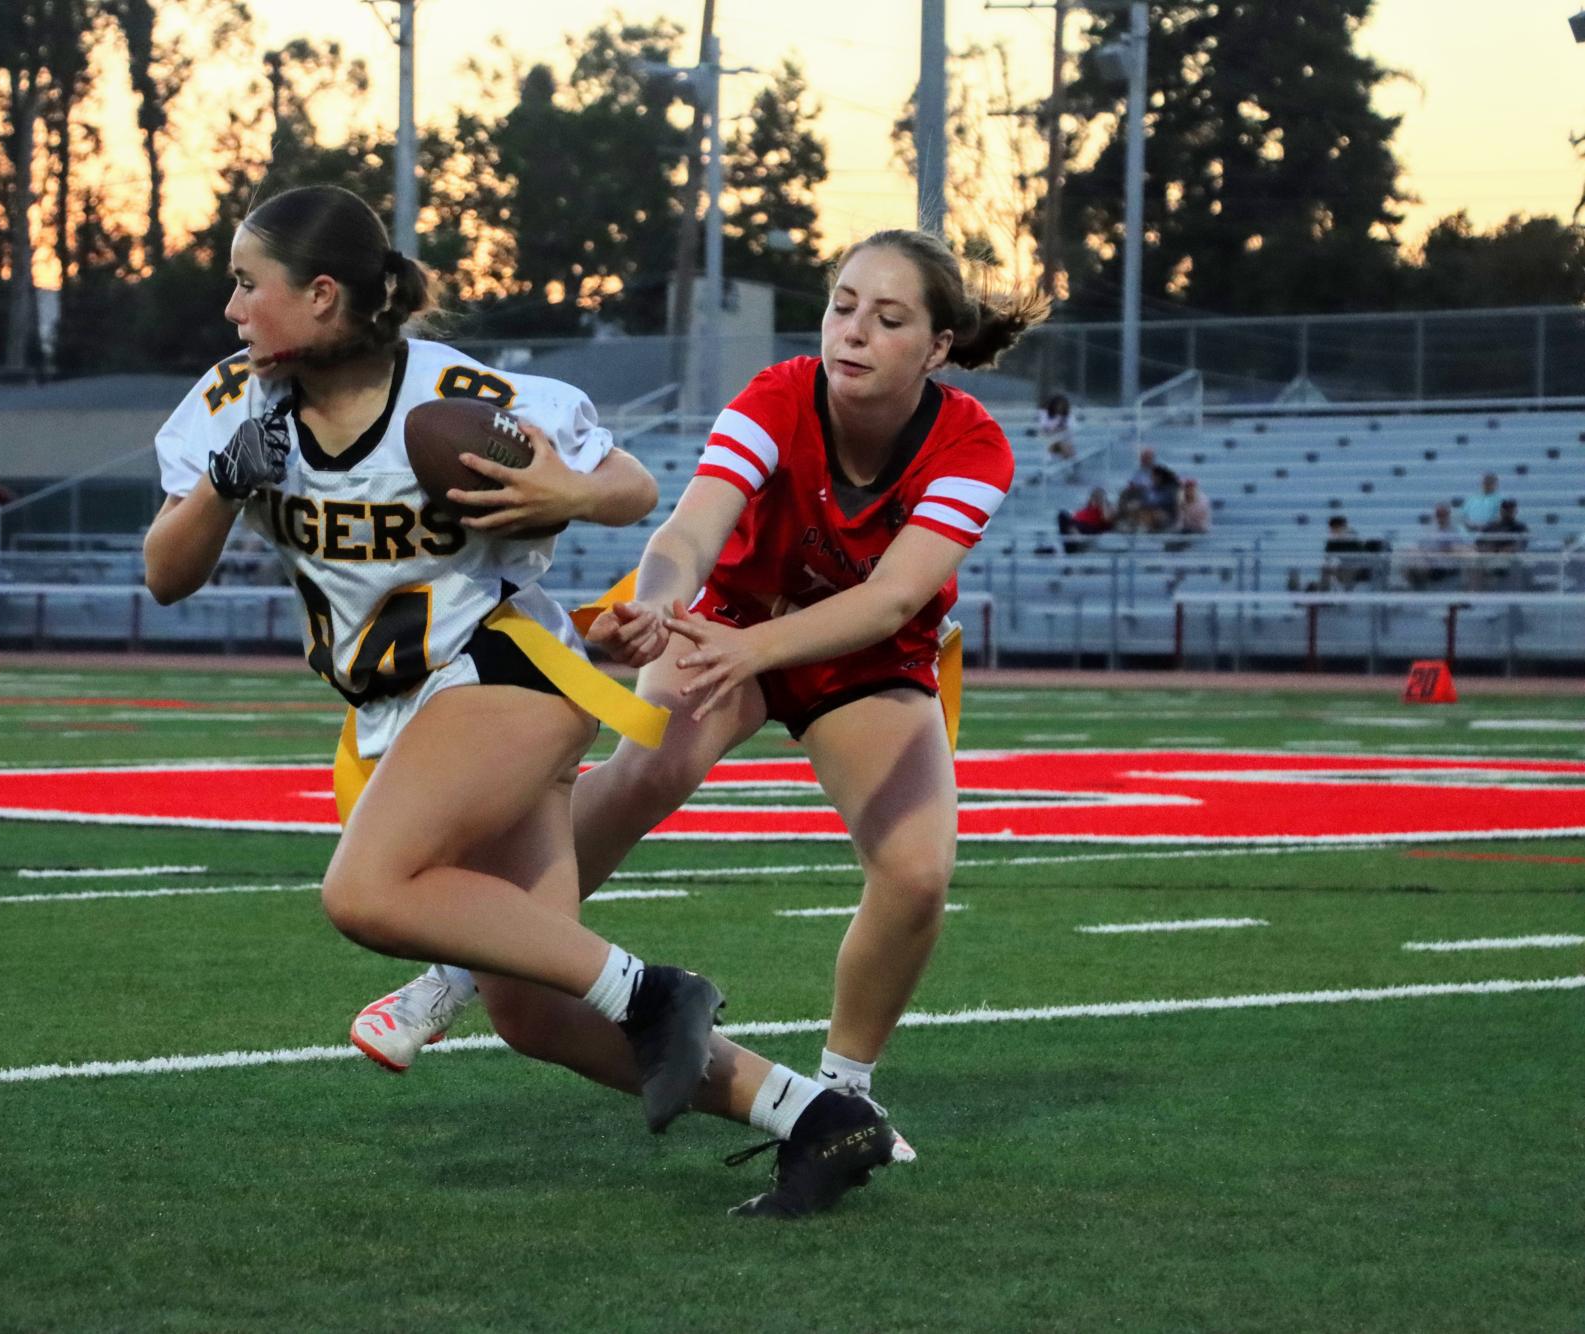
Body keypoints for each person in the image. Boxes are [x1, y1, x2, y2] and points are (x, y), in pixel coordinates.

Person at [147, 184, 888, 1219]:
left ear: (321, 295)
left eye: (245, 284)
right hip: (400, 707)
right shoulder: (233, 407)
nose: (230, 310)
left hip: (508, 668)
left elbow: (626, 481)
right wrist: (225, 483)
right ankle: (810, 1115)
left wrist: (572, 496)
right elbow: (165, 572)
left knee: (363, 891)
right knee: (536, 1012)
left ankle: (655, 989)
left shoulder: (450, 393)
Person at [352, 227, 1046, 1189]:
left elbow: (890, 599)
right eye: (843, 304)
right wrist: (659, 603)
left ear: (934, 348)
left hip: (862, 654)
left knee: (918, 873)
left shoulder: (973, 441)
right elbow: (687, 529)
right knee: (650, 767)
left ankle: (848, 1092)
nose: (852, 332)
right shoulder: (777, 393)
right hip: (735, 619)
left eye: (887, 319)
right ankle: (459, 971)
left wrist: (749, 648)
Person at [1056, 485, 1113, 553]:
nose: (1096, 498)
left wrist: (1103, 503)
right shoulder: (1087, 508)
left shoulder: (1106, 507)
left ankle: (1076, 538)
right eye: (1094, 496)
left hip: (1090, 528)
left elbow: (1108, 519)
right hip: (1075, 527)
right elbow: (1076, 516)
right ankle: (1075, 536)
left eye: (1099, 496)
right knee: (1062, 514)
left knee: (1073, 525)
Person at [1037, 393, 1077, 462]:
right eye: (1058, 405)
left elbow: (1071, 429)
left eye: (1062, 405)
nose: (1059, 407)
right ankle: (1049, 461)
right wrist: (1055, 430)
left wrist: (1058, 430)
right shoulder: (1045, 415)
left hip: (1064, 440)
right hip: (1049, 440)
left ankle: (1070, 463)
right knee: (1054, 442)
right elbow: (1044, 428)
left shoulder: (1069, 416)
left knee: (1063, 444)